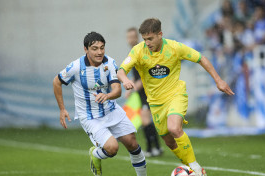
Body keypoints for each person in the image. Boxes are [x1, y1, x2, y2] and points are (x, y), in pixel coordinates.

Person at [117, 18, 235, 176]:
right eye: (144, 39)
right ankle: (192, 168)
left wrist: (218, 80)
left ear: (160, 35)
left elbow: (201, 58)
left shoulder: (174, 47)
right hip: (155, 103)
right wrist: (125, 80)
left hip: (175, 95)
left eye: (150, 39)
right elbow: (121, 70)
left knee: (174, 128)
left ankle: (196, 169)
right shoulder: (138, 51)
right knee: (169, 141)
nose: (147, 43)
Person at [53, 32, 147, 176]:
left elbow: (117, 90)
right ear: (86, 49)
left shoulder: (109, 63)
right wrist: (62, 109)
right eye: (95, 48)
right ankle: (96, 154)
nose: (99, 52)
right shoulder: (76, 67)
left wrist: (108, 95)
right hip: (90, 116)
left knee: (133, 144)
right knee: (112, 148)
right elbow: (57, 82)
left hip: (111, 110)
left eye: (102, 48)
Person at [125, 27, 162, 157]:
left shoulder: (142, 51)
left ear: (137, 37)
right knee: (146, 120)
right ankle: (156, 148)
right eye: (129, 37)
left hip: (147, 91)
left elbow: (145, 74)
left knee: (146, 120)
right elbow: (137, 75)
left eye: (133, 36)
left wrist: (134, 87)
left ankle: (152, 149)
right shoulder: (133, 52)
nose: (131, 39)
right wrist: (131, 85)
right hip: (141, 92)